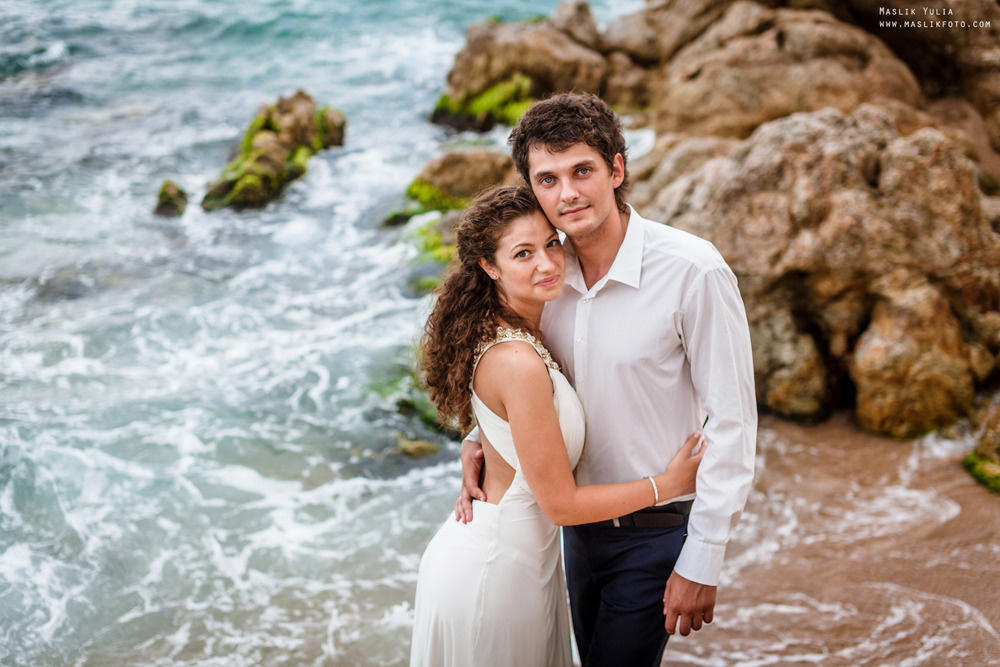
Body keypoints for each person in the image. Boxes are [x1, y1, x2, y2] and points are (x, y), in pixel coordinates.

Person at [458, 93, 757, 666]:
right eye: (548, 179)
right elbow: (518, 370)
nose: (567, 193)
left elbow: (735, 419)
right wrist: (481, 440)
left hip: (657, 535)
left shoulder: (693, 271)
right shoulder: (544, 275)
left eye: (582, 171)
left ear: (615, 169)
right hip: (572, 533)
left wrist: (705, 558)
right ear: (532, 190)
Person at [409, 185, 707, 667]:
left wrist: (477, 440)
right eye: (523, 253)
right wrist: (666, 485)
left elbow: (510, 418)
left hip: (527, 563)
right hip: (496, 570)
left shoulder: (520, 325)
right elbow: (562, 505)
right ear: (489, 266)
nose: (547, 263)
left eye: (551, 243)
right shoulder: (518, 359)